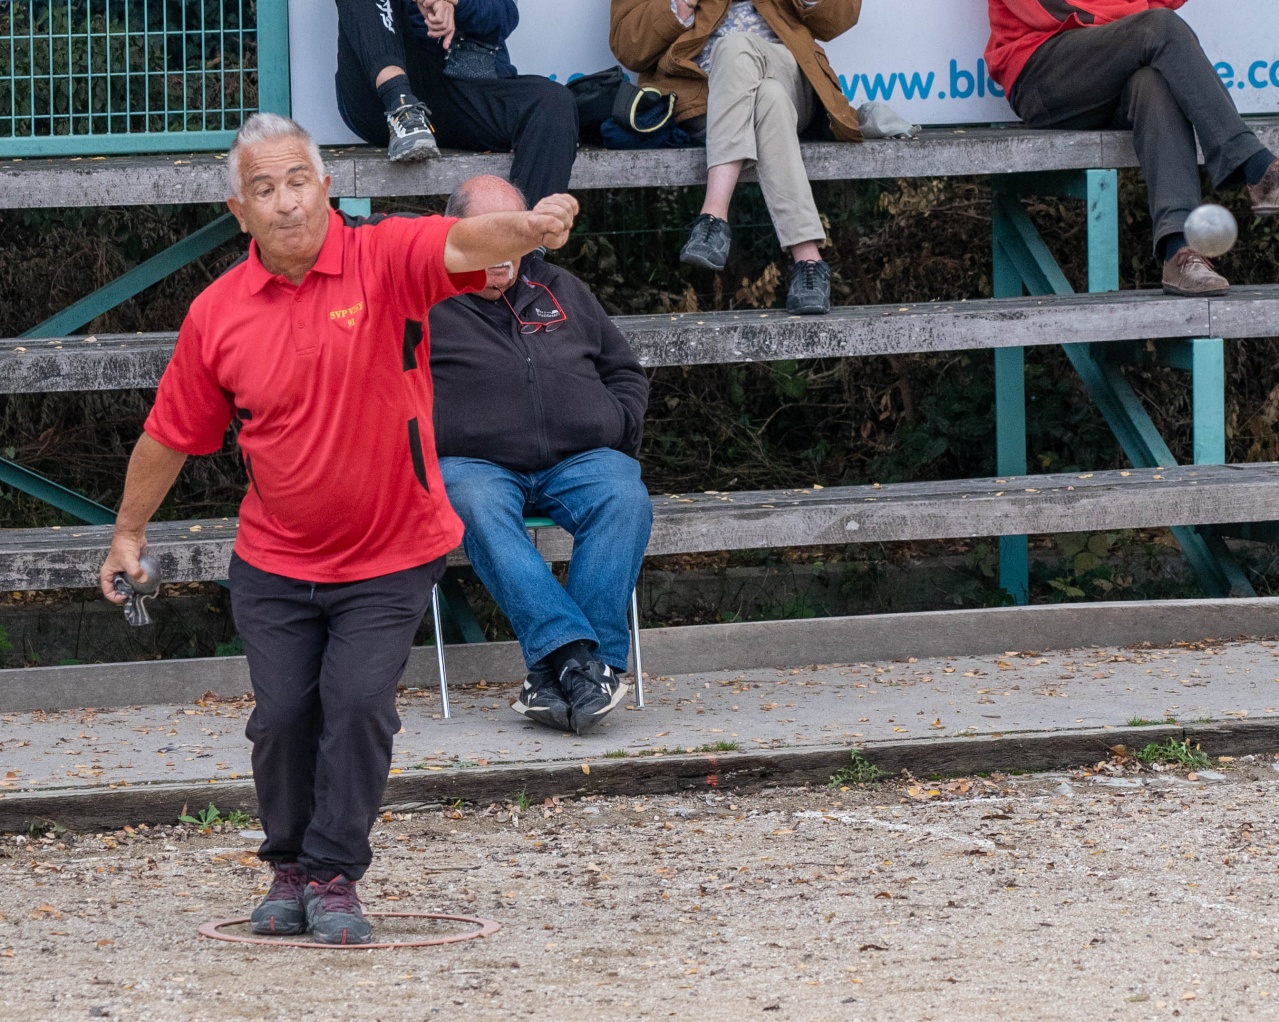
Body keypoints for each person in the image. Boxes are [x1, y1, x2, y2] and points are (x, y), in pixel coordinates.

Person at [97, 114, 578, 945]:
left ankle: (331, 874)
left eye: (295, 181)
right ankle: (287, 868)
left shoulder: (382, 258)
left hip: (392, 550)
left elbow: (464, 240)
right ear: (238, 211)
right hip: (276, 559)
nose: (284, 202)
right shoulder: (216, 313)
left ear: (323, 185)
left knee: (356, 706)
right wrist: (127, 535)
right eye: (262, 189)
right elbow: (171, 432)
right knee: (282, 717)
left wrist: (530, 228)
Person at [428, 175, 653, 735]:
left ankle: (561, 673)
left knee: (624, 491)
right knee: (469, 500)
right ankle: (580, 661)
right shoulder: (421, 300)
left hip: (578, 458)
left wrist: (617, 424)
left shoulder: (562, 287)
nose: (506, 251)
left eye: (517, 234)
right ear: (459, 234)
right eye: (492, 235)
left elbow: (623, 371)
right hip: (472, 463)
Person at [985, 1, 1279, 297]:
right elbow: (1051, 7)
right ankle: (1254, 167)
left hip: (1113, 66)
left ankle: (1179, 248)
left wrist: (1135, 25)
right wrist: (1137, 19)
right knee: (1159, 27)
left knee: (1152, 83)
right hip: (1042, 72)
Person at [610, 0, 864, 315]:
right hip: (702, 96)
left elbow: (838, 18)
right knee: (769, 98)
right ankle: (808, 260)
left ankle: (714, 216)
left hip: (787, 69)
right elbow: (628, 47)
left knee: (735, 48)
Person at [333, 0, 579, 204]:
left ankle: (526, 253)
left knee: (553, 103)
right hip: (385, 96)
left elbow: (503, 15)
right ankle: (402, 108)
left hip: (458, 92)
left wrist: (456, 3)